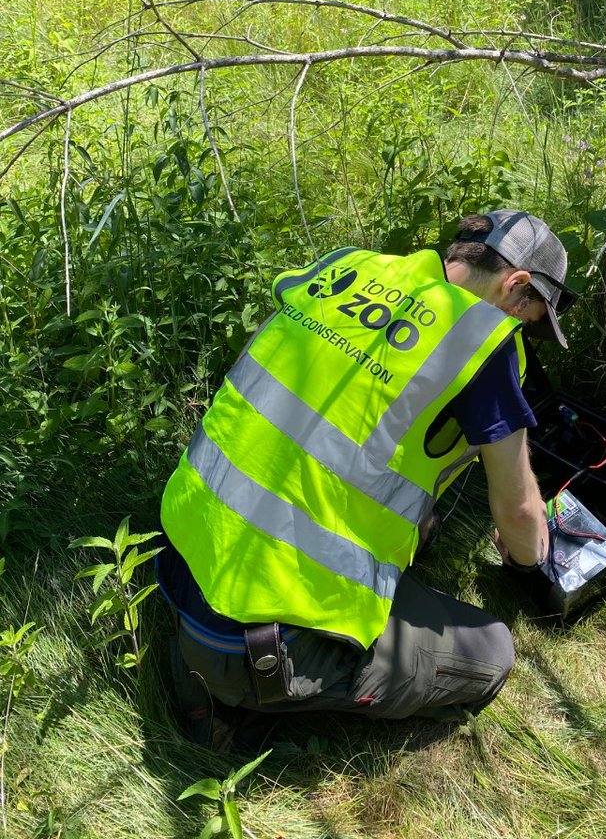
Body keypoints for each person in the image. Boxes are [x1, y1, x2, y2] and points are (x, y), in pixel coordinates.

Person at [157, 209, 575, 742]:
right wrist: (533, 558)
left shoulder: (348, 266)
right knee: (493, 653)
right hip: (254, 644)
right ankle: (234, 705)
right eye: (527, 314)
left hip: (181, 560)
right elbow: (517, 513)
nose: (519, 328)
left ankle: (207, 669)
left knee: (418, 522)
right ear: (516, 282)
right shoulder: (483, 342)